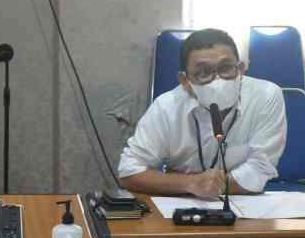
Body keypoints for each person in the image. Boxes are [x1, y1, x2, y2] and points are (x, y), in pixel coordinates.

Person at [118, 28, 287, 197]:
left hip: (243, 202)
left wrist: (214, 185)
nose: (218, 80)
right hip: (182, 200)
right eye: (204, 72)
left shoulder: (266, 96)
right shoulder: (166, 107)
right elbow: (129, 171)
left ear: (241, 70)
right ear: (185, 81)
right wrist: (190, 183)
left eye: (226, 68)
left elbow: (260, 168)